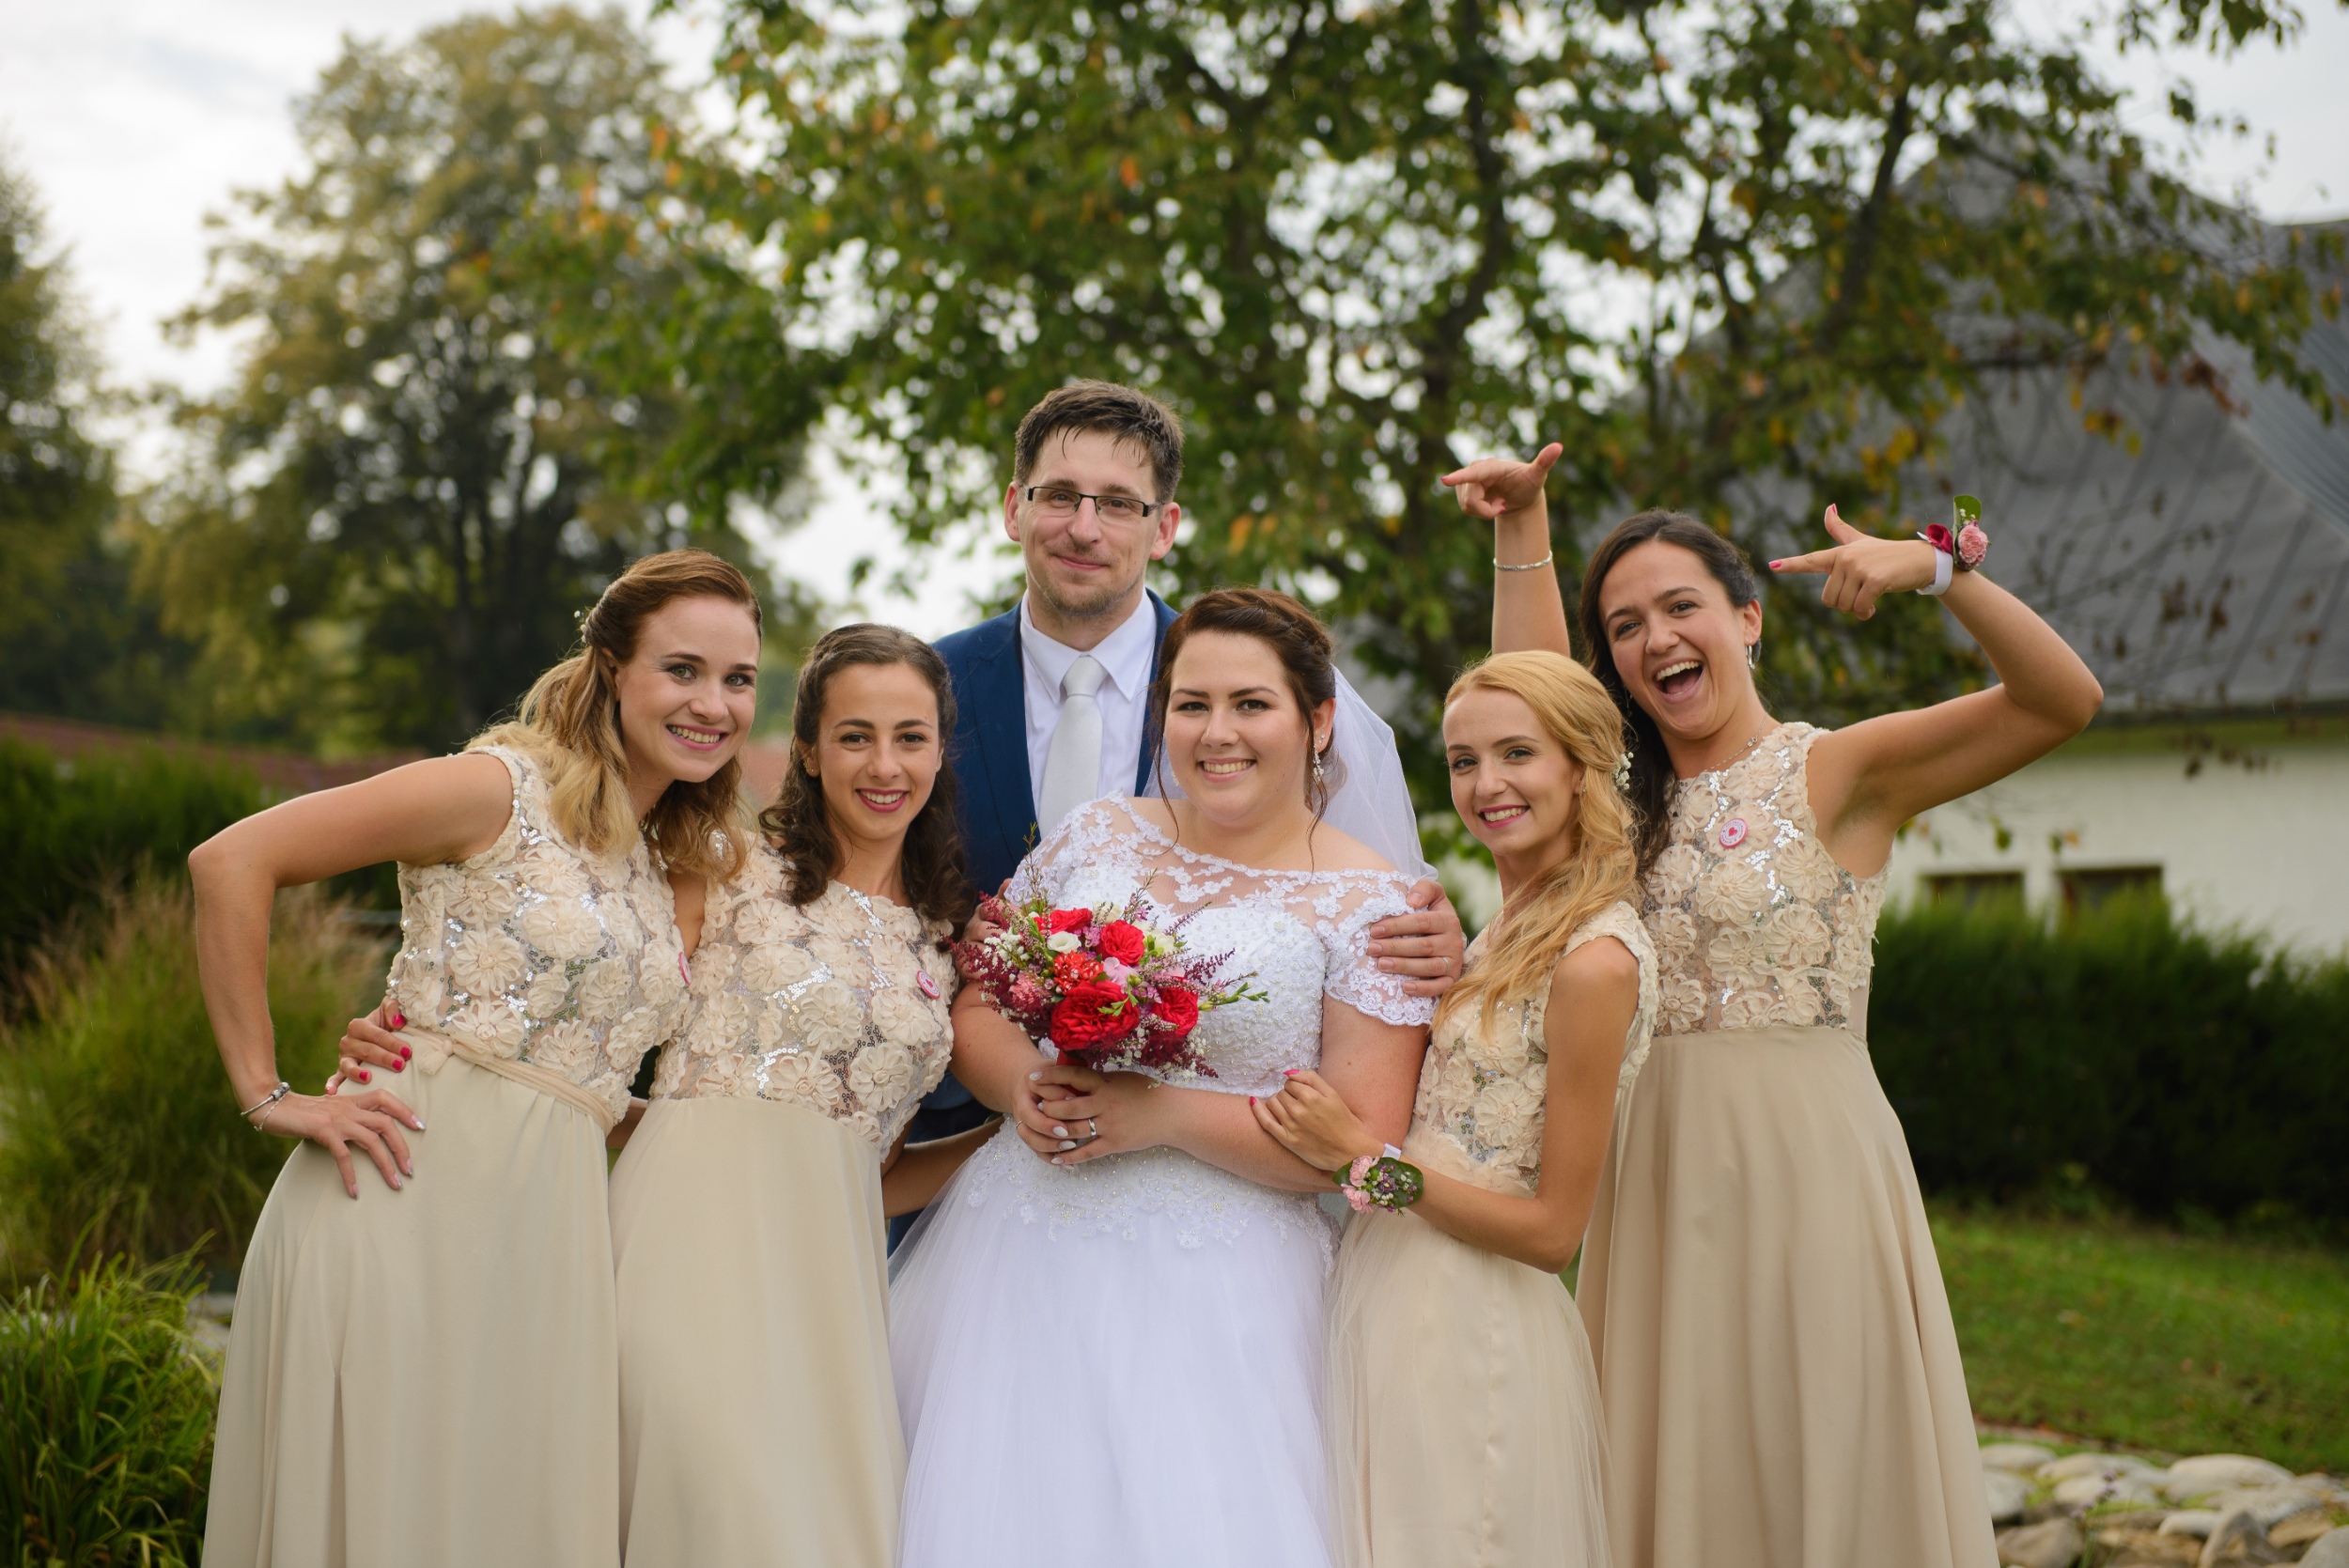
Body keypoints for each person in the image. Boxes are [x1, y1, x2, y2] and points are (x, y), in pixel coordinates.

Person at [1452, 446, 2103, 1568]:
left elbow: (2062, 701)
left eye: (1680, 607)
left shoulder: (1839, 770)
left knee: (1822, 1450)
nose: (1655, 638)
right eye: (1622, 625)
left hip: (1811, 1172)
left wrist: (1940, 571)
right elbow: (1525, 688)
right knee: (1677, 1464)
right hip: (1653, 1174)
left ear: (1746, 620)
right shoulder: (1606, 808)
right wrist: (1523, 522)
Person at [193, 550, 763, 1568]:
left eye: (738, 678)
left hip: (544, 1248)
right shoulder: (497, 788)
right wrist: (268, 1091)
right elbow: (233, 859)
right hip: (402, 1205)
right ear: (612, 668)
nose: (711, 704)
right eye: (682, 669)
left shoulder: (657, 860)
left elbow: (576, 1080)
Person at [890, 588, 1438, 1568]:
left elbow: (1358, 1140)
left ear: (1317, 721)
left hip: (1227, 1290)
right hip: (1015, 1255)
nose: (1216, 732)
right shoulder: (1098, 835)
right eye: (1192, 704)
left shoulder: (1374, 903)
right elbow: (978, 997)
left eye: (1250, 704)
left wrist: (1165, 1114)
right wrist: (1021, 1085)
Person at [904, 381, 1466, 1238]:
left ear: (1164, 526)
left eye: (1118, 503)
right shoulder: (923, 688)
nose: (1084, 528)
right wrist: (1019, 1079)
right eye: (1059, 496)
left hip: (1226, 1233)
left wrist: (1441, 939)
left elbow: (1367, 1090)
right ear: (1014, 507)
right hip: (955, 1153)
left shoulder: (1225, 663)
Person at [1253, 649, 1656, 1568]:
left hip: (1477, 1316)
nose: (1485, 784)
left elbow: (1554, 1232)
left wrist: (1365, 1159)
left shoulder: (1595, 961)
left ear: (1581, 767)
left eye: (1517, 753)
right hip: (1391, 1286)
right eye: (1464, 760)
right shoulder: (1505, 924)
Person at [606, 624, 994, 1568]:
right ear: (811, 750)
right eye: (855, 736)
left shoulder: (950, 938)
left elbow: (877, 1172)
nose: (884, 764)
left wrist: (1004, 1142)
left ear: (940, 752)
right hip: (683, 1248)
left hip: (829, 1290)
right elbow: (596, 1033)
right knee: (704, 1498)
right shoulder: (725, 870)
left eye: (909, 737)